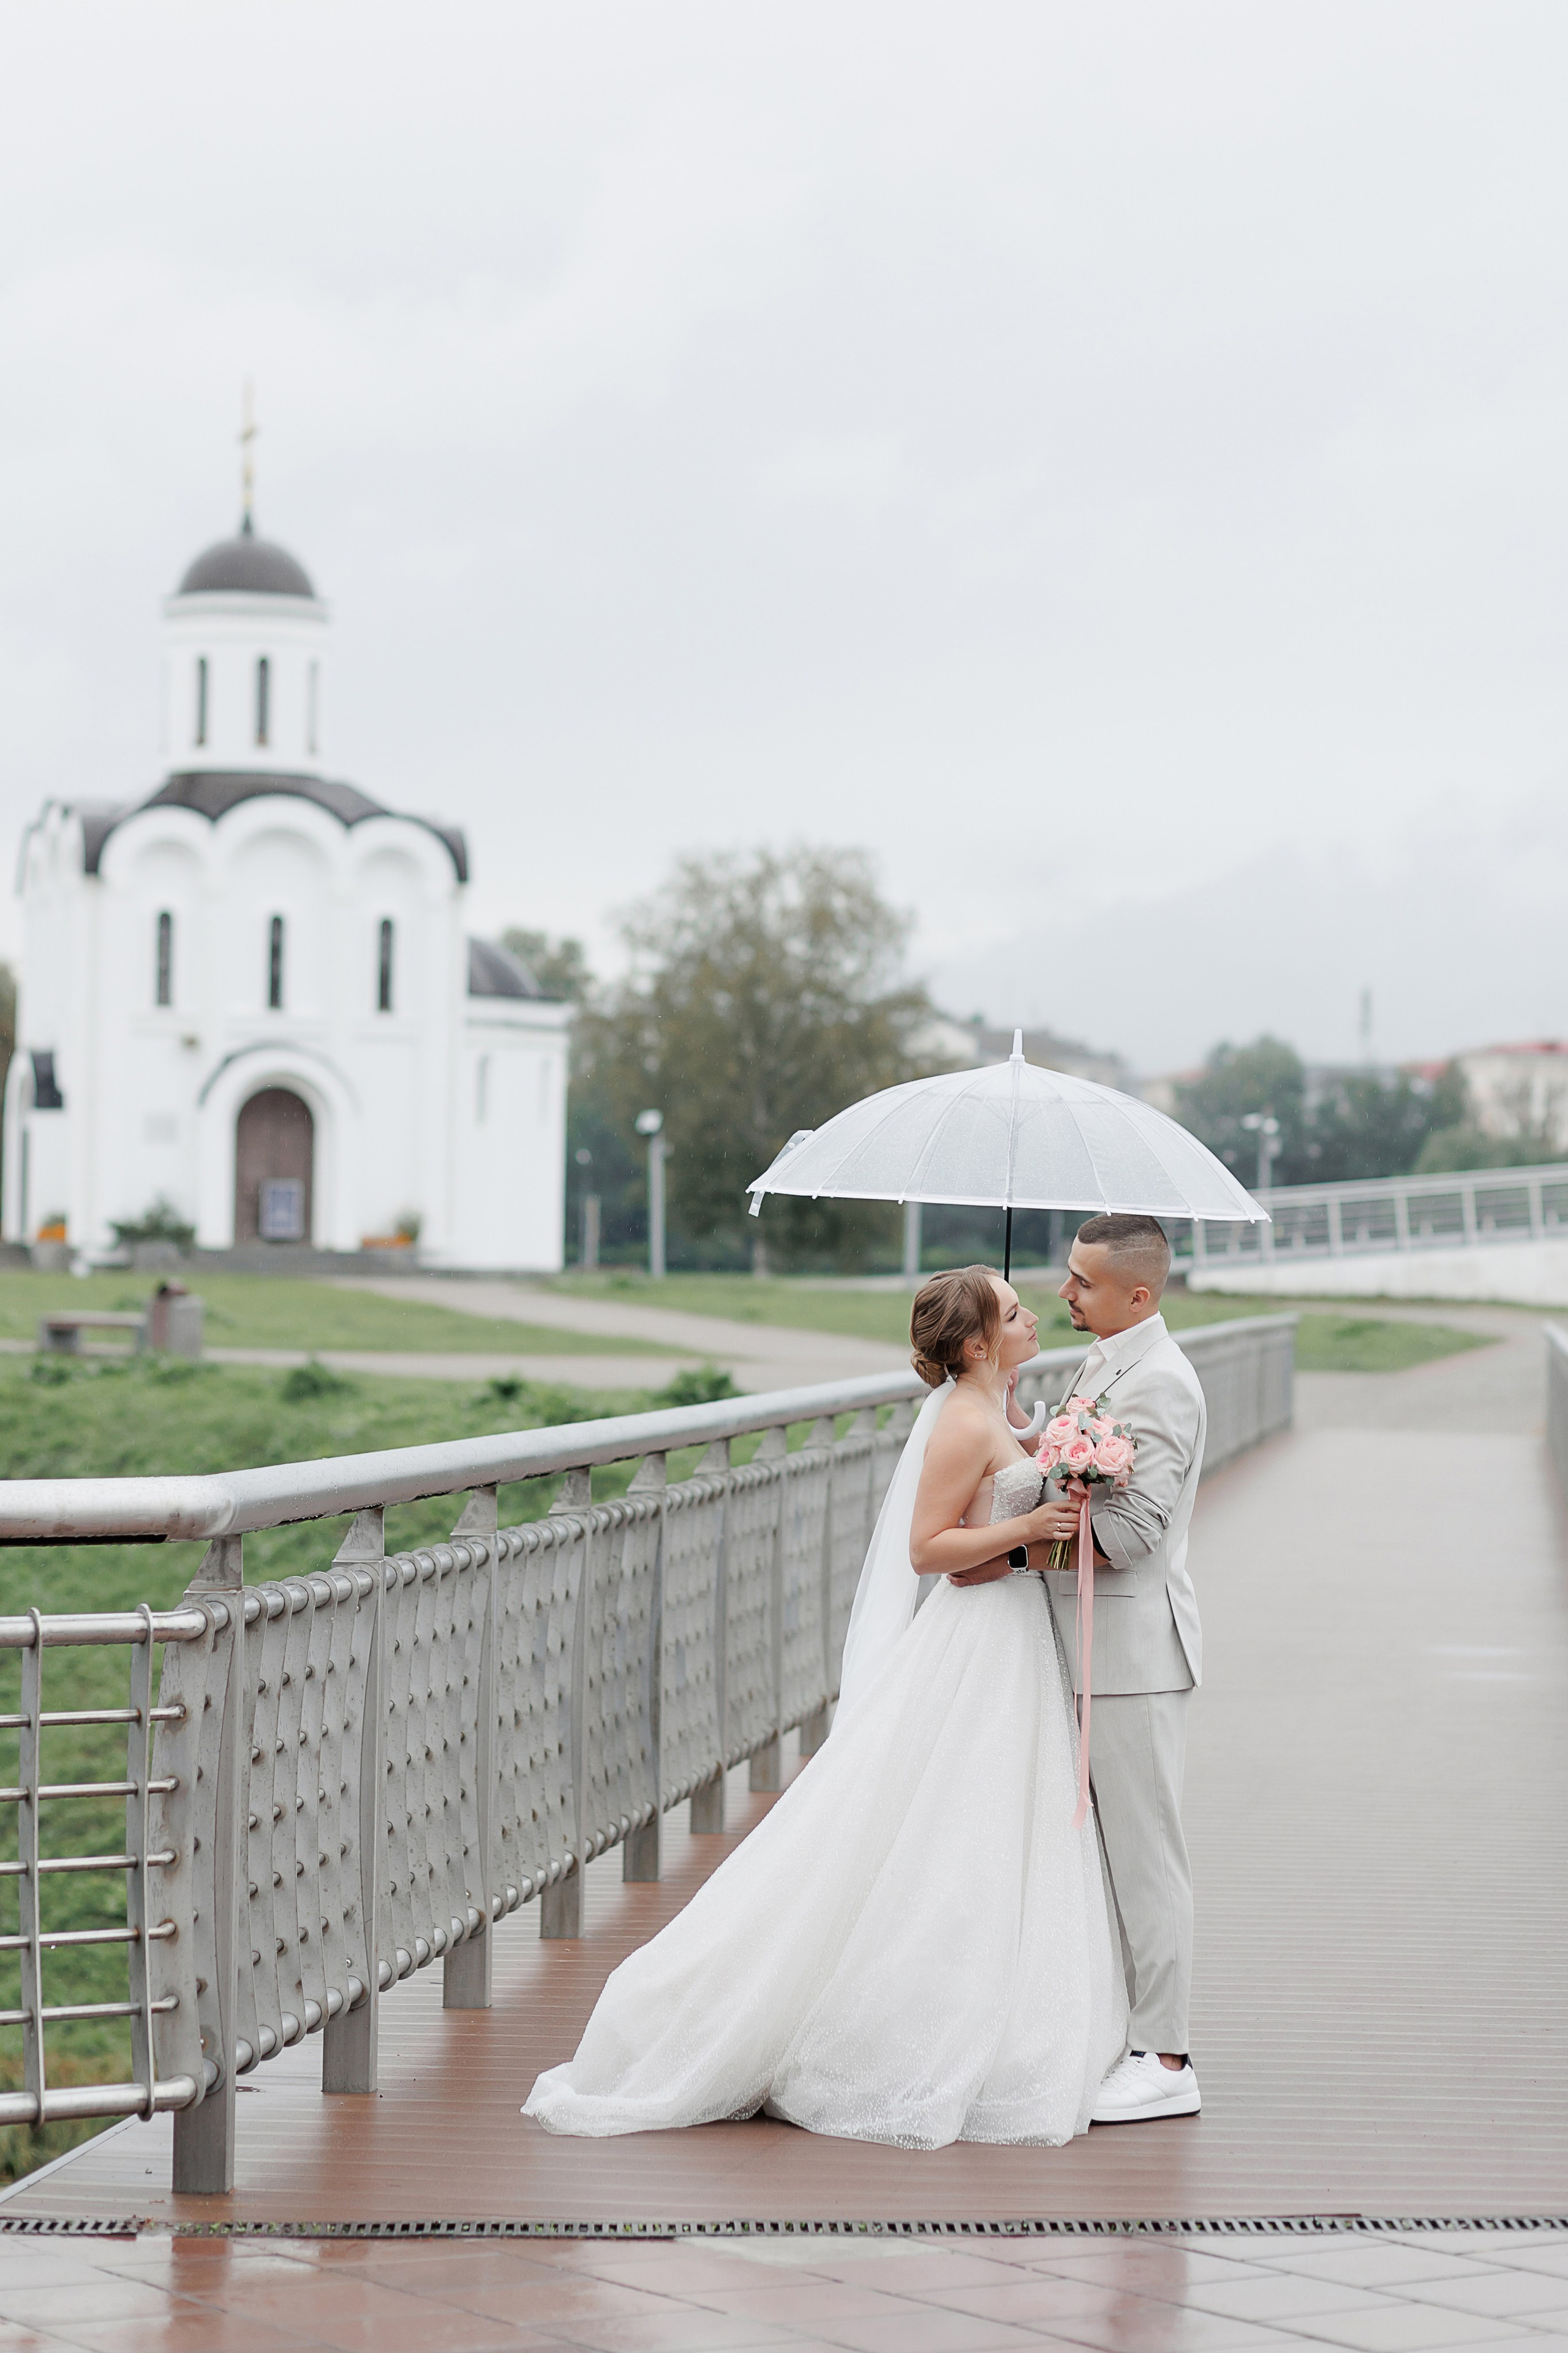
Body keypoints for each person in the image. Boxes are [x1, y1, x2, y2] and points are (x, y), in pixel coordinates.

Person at [522, 1265, 1126, 2148]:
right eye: (1013, 1310)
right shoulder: (963, 1420)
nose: (1033, 1315)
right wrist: (1028, 1529)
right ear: (975, 1344)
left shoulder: (995, 1410)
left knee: (988, 1826)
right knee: (954, 1821)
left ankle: (989, 2004)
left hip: (1011, 1633)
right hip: (977, 1642)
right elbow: (933, 1550)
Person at [966, 1213, 1205, 2124]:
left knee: (1147, 1859)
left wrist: (1028, 1540)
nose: (1064, 1293)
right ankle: (1122, 2027)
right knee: (1099, 1857)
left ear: (1138, 1294)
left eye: (1082, 1283)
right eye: (1065, 1277)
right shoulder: (1103, 1361)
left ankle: (1168, 2054)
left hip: (1134, 1656)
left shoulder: (1163, 1384)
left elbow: (1135, 1534)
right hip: (1080, 1643)